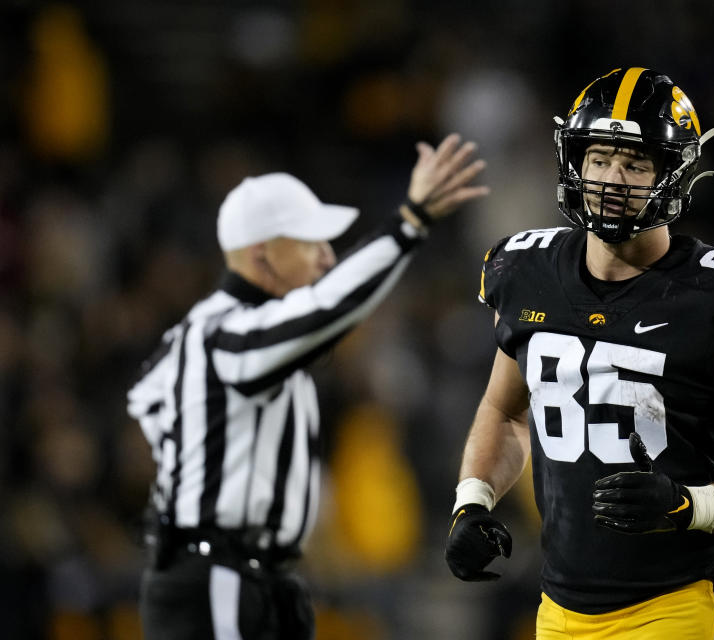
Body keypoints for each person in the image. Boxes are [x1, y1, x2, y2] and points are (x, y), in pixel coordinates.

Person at [444, 67, 714, 638]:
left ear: (672, 175)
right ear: (575, 162)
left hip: (680, 601)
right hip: (560, 610)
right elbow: (506, 411)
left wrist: (690, 506)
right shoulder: (525, 271)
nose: (613, 178)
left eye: (636, 164)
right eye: (600, 159)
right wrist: (473, 501)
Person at [127, 133, 488, 640]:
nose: (326, 258)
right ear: (260, 255)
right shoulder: (226, 335)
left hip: (251, 574)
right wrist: (409, 223)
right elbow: (328, 308)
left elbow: (144, 400)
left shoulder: (210, 335)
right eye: (309, 243)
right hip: (219, 577)